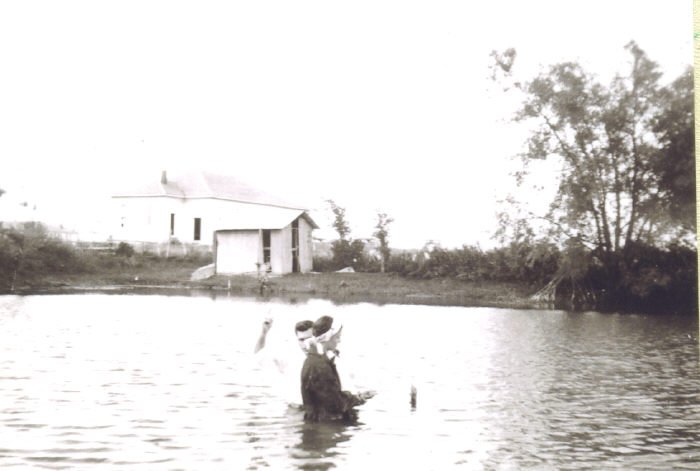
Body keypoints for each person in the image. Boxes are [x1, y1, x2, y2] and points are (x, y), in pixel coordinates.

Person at [300, 315, 374, 422]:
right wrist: (359, 398)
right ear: (328, 337)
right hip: (325, 426)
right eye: (337, 337)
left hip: (318, 423)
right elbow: (335, 405)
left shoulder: (314, 360)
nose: (339, 341)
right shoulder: (319, 366)